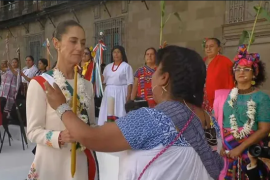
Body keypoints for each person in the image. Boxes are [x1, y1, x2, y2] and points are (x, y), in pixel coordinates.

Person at [44, 45, 224, 180]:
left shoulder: (152, 119)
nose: (151, 76)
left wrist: (61, 107)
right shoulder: (211, 121)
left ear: (164, 78)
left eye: (156, 70)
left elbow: (91, 137)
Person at [26, 20, 99, 180]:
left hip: (81, 164)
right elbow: (32, 132)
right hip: (51, 166)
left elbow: (91, 124)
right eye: (73, 41)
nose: (80, 48)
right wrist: (59, 137)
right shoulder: (40, 84)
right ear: (56, 43)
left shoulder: (87, 85)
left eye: (83, 42)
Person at [213, 44, 270, 179]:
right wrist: (219, 145)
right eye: (237, 68)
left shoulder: (262, 97)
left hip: (250, 152)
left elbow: (264, 129)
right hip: (226, 152)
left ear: (254, 73)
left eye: (246, 69)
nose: (241, 72)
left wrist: (240, 148)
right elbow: (215, 123)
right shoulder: (223, 96)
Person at [98, 45, 133, 125]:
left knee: (120, 112)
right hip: (109, 92)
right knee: (108, 112)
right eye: (114, 52)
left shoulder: (126, 66)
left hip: (121, 92)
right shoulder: (108, 67)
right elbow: (103, 81)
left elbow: (130, 83)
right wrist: (98, 70)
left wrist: (128, 97)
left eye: (118, 52)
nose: (116, 54)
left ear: (122, 54)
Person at [203, 38, 234, 114]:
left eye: (211, 46)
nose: (208, 49)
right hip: (203, 97)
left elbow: (231, 79)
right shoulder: (202, 61)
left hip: (219, 98)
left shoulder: (225, 61)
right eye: (206, 47)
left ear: (219, 48)